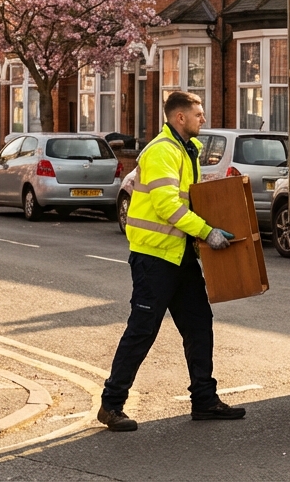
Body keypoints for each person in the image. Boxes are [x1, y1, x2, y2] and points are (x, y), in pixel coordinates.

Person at [97, 90, 246, 431]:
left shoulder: (185, 150)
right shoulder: (163, 150)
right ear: (180, 117)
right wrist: (207, 232)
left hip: (179, 256)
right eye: (198, 114)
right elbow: (167, 206)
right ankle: (111, 405)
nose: (203, 119)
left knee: (199, 326)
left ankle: (204, 401)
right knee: (142, 331)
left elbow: (189, 200)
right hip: (154, 257)